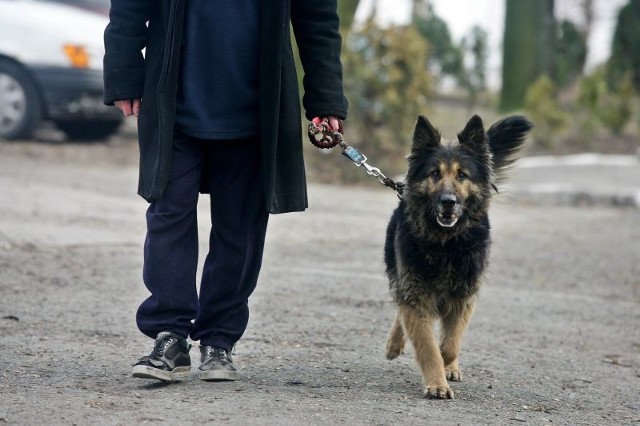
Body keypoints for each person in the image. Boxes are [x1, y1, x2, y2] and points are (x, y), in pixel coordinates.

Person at [103, 0, 348, 382]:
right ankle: (170, 334)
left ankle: (219, 338)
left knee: (241, 228)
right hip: (175, 99)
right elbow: (129, 8)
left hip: (255, 108)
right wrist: (124, 73)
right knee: (169, 214)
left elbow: (317, 19)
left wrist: (326, 97)